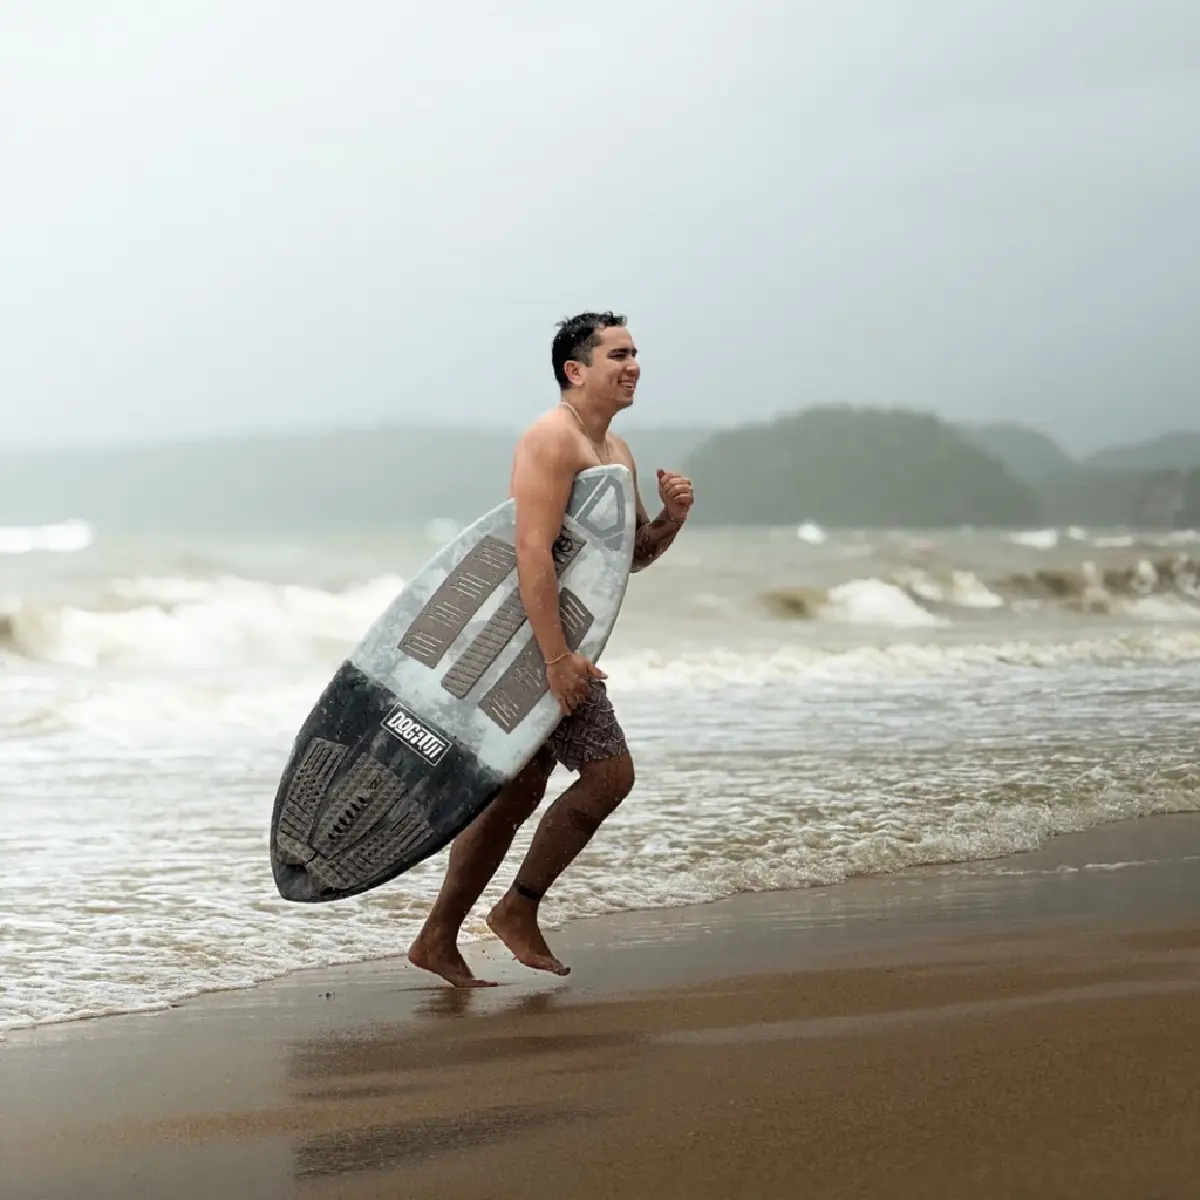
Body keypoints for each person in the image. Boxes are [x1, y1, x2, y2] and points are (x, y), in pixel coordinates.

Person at [407, 311, 694, 987]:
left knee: (520, 791)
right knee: (609, 774)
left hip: (558, 641)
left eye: (635, 353)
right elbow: (529, 552)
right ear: (577, 369)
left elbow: (623, 561)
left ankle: (438, 939)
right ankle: (517, 909)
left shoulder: (616, 452)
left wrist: (673, 519)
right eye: (618, 354)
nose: (634, 365)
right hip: (533, 645)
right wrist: (558, 662)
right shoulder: (550, 439)